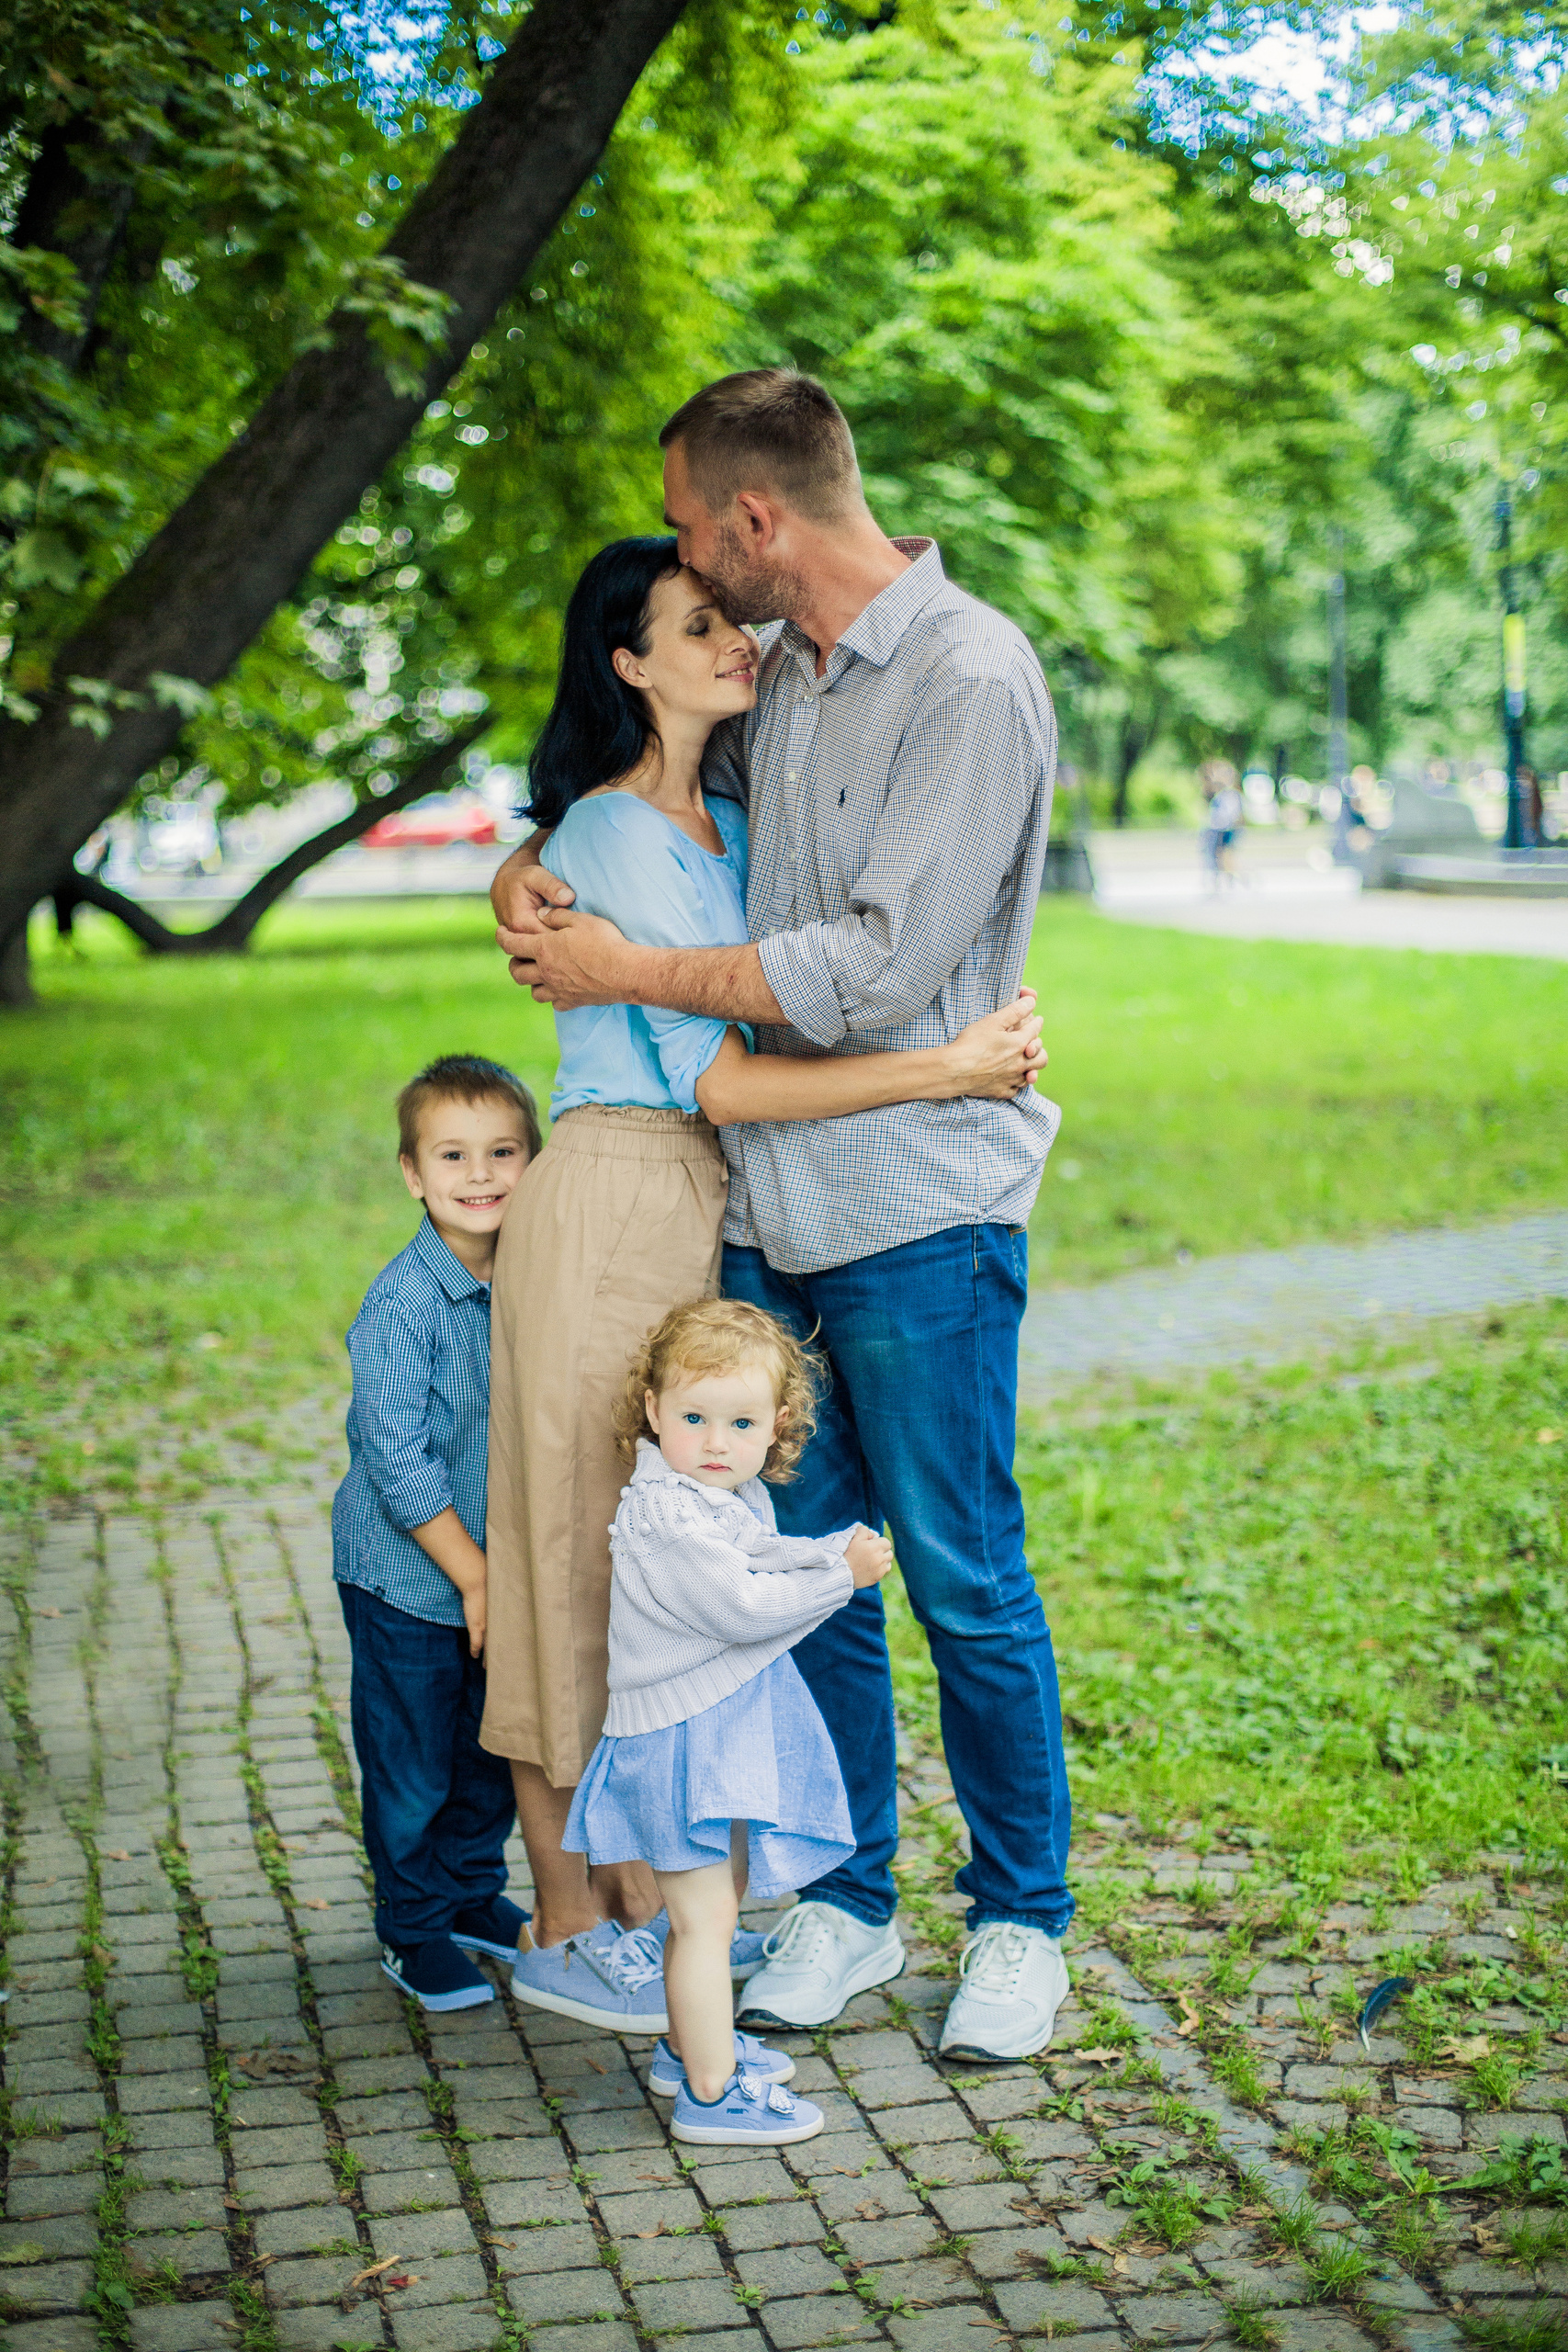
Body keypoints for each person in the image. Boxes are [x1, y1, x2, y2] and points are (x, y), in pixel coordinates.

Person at [492, 368, 1075, 2062]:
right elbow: (622, 791)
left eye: (686, 524)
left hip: (916, 1209)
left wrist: (621, 966)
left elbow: (871, 971)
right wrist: (521, 886)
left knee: (962, 1575)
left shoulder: (966, 677)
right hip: (765, 1219)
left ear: (755, 522)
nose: (682, 554)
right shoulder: (784, 672)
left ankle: (1021, 1925)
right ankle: (853, 1907)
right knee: (795, 1571)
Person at [563, 1297, 894, 2144]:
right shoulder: (667, 1511)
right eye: (694, 1417)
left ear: (776, 1426)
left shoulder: (721, 1495)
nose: (716, 1441)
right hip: (681, 1748)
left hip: (712, 1742)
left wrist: (826, 1555)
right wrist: (841, 1579)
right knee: (704, 1922)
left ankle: (691, 2048)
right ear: (653, 1412)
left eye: (740, 1422)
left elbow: (759, 1556)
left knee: (719, 1903)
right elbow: (741, 1605)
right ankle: (709, 2096)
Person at [332, 1054, 539, 2012]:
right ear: (413, 1174)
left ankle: (467, 1890)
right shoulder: (402, 1303)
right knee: (411, 1758)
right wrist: (474, 1576)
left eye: (503, 1151)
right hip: (409, 1576)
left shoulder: (533, 1282)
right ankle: (412, 1926)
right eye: (453, 1155)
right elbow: (396, 1457)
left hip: (495, 1568)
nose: (481, 1173)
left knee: (488, 1745)